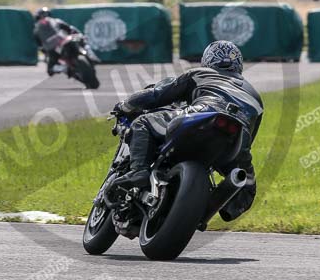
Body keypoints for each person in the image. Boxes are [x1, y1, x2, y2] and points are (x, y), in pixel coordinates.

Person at [112, 40, 263, 221]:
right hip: (236, 138)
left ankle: (139, 171)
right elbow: (250, 139)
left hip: (203, 114)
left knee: (143, 122)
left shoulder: (200, 73)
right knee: (247, 184)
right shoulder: (255, 96)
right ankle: (209, 208)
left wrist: (126, 105)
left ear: (208, 60)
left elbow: (157, 95)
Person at [32, 6, 81, 76]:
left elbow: (39, 45)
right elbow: (70, 29)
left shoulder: (37, 29)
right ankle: (66, 68)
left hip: (58, 45)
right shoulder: (54, 21)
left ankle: (66, 68)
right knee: (50, 69)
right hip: (59, 44)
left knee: (50, 69)